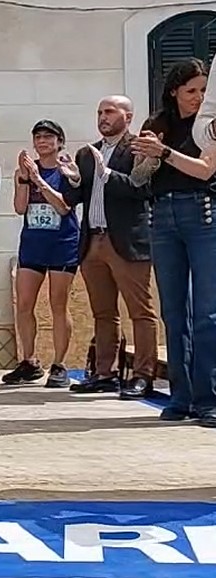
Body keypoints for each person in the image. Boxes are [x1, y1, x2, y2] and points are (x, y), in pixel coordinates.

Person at [131, 59, 216, 426]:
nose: (198, 97)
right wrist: (145, 156)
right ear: (174, 92)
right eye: (191, 90)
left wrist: (164, 153)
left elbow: (206, 170)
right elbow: (137, 179)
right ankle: (180, 397)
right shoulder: (157, 123)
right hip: (161, 215)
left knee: (207, 312)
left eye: (203, 90)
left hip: (203, 212)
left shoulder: (210, 126)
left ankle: (208, 398)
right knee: (174, 311)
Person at [65, 96, 159, 400]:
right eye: (99, 112)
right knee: (103, 312)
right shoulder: (86, 153)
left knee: (140, 311)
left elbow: (141, 189)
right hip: (93, 240)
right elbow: (75, 198)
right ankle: (104, 373)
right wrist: (73, 179)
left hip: (126, 241)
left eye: (109, 112)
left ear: (127, 117)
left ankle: (143, 375)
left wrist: (107, 174)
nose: (102, 117)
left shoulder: (138, 148)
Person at [5, 120, 81, 388]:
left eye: (49, 137)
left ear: (60, 142)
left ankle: (59, 364)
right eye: (38, 137)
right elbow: (19, 207)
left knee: (58, 303)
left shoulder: (68, 170)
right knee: (25, 303)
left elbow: (63, 207)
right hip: (33, 243)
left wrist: (39, 179)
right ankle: (29, 361)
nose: (43, 141)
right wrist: (25, 178)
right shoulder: (24, 171)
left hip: (62, 243)